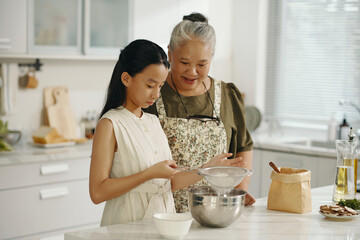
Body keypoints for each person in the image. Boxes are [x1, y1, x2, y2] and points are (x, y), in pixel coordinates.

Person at [89, 39, 242, 226]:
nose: (156, 95)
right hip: (126, 224)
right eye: (149, 85)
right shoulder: (110, 124)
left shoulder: (153, 121)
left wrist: (206, 169)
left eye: (160, 86)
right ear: (126, 78)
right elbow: (97, 192)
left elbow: (169, 184)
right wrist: (149, 174)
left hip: (163, 223)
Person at [144, 13, 255, 212]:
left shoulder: (227, 95)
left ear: (211, 58)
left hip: (217, 213)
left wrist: (239, 192)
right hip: (163, 212)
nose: (192, 72)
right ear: (169, 54)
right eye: (184, 63)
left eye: (202, 64)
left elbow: (243, 147)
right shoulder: (153, 95)